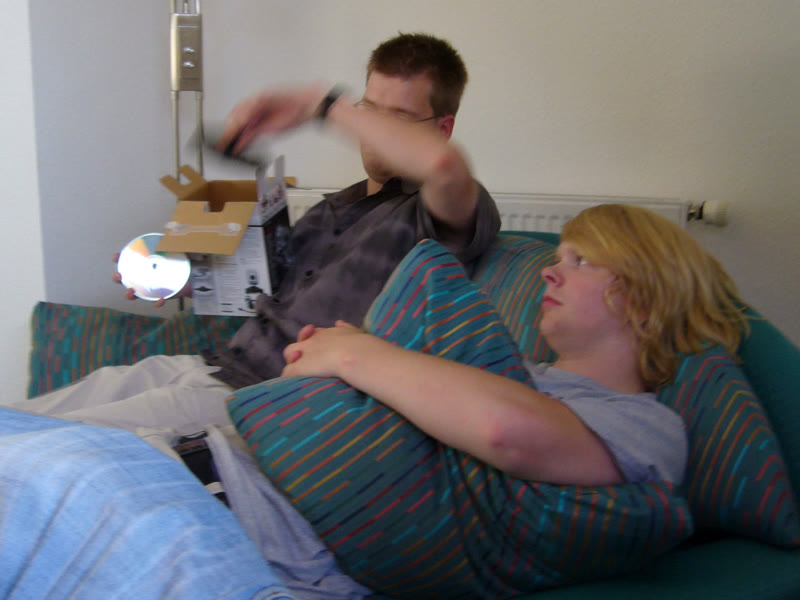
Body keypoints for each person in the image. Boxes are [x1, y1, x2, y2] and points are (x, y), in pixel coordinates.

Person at [19, 32, 498, 600]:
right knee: (19, 423)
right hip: (209, 366)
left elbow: (443, 167)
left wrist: (319, 105)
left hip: (258, 401)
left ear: (441, 126)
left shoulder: (442, 215)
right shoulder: (332, 209)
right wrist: (172, 276)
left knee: (41, 457)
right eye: (370, 108)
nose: (371, 128)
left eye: (396, 117)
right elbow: (252, 287)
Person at [281, 203, 749, 487]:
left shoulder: (649, 428)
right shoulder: (514, 368)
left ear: (646, 299)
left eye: (582, 261)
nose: (549, 271)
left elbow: (506, 432)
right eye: (558, 258)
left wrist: (351, 354)